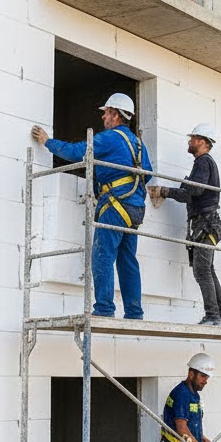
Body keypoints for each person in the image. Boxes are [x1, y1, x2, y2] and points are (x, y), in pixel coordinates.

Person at [31, 93, 152, 319]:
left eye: (106, 112)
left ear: (115, 114)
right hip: (135, 208)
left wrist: (48, 141)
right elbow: (148, 174)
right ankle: (134, 312)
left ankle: (105, 309)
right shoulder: (138, 144)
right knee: (128, 261)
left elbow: (77, 152)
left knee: (103, 255)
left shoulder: (110, 138)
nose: (103, 116)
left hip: (116, 206)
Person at [149, 123, 221, 326]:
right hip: (207, 223)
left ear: (201, 142)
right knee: (207, 270)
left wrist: (165, 191)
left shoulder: (203, 162)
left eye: (193, 138)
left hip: (206, 223)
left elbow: (193, 192)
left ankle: (213, 316)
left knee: (202, 271)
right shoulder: (205, 163)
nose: (189, 141)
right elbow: (192, 192)